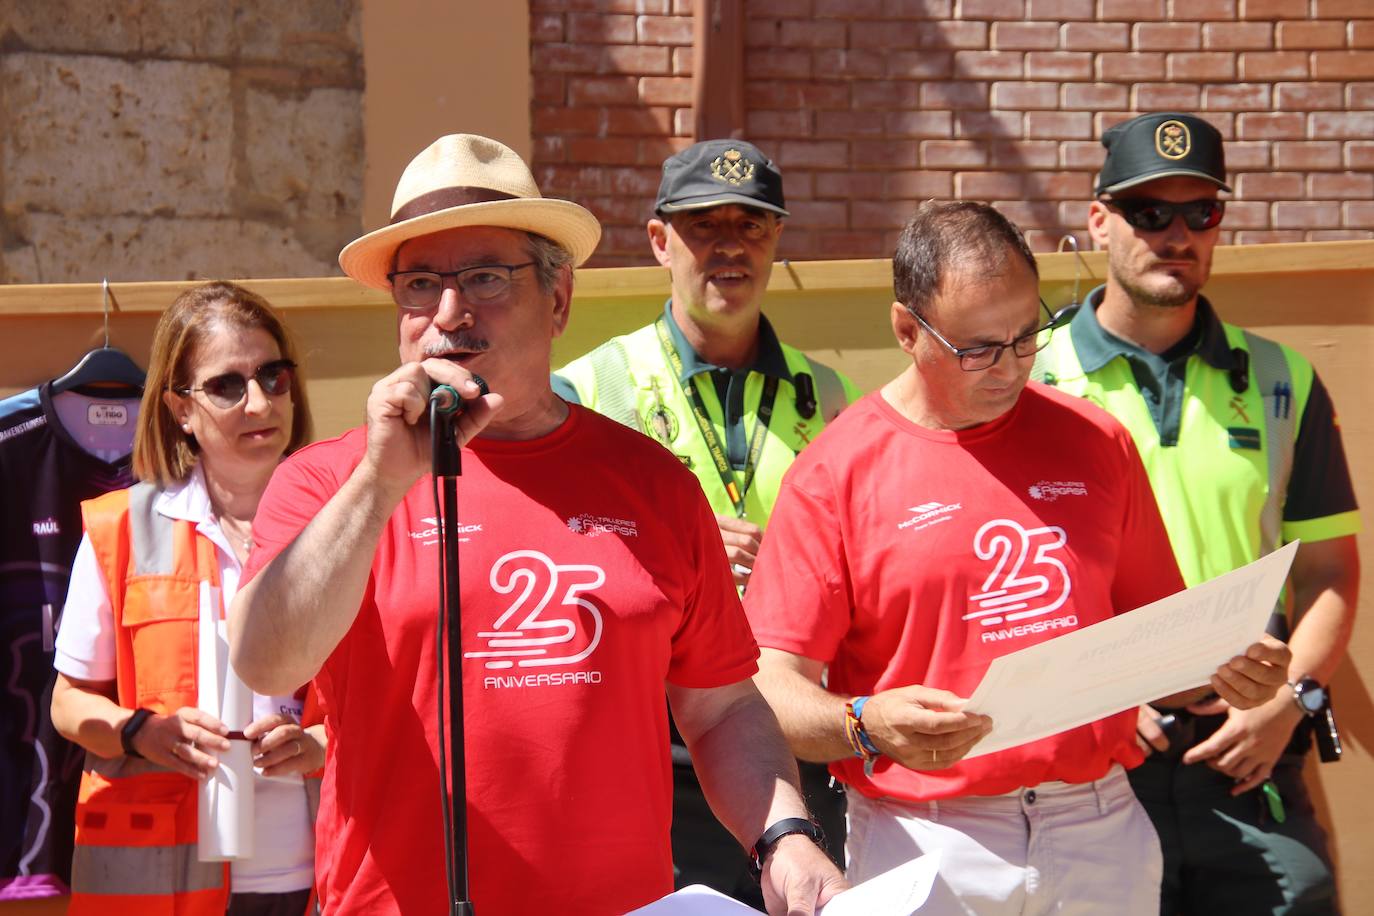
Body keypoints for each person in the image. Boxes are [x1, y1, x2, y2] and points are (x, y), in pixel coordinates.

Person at [226, 133, 845, 916]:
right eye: (420, 284)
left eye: (486, 277)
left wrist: (785, 839)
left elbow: (722, 707)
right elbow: (267, 662)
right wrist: (381, 485)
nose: (449, 313)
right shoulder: (326, 483)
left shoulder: (653, 484)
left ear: (557, 301)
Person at [743, 200, 1293, 915]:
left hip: (1099, 828)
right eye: (978, 348)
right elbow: (767, 689)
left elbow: (1165, 650)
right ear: (907, 329)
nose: (1009, 368)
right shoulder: (835, 471)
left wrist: (1229, 668)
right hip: (924, 838)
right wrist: (864, 722)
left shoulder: (1097, 442)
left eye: (1027, 334)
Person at [1033, 111, 1362, 915]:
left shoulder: (1283, 379)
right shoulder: (1028, 378)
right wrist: (1096, 694)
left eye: (1199, 212)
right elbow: (998, 569)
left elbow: (1327, 570)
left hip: (1246, 747)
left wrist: (1292, 703)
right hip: (1091, 754)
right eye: (1149, 212)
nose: (1175, 234)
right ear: (1099, 220)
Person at [553, 138, 860, 902]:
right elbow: (545, 556)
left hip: (789, 741)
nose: (730, 247)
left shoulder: (834, 396)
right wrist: (674, 561)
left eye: (751, 226)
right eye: (704, 226)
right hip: (649, 738)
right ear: (660, 241)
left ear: (778, 237)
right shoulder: (590, 384)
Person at [49, 281, 324, 915]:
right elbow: (68, 702)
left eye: (273, 376)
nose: (259, 401)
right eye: (228, 384)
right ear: (181, 409)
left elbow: (401, 704)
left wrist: (318, 745)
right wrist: (142, 731)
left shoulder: (345, 523)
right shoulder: (122, 527)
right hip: (162, 882)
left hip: (320, 872)